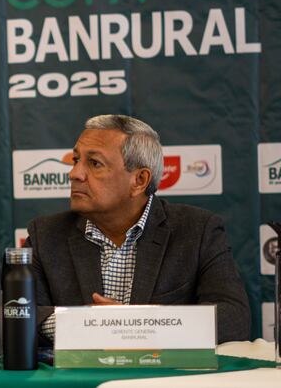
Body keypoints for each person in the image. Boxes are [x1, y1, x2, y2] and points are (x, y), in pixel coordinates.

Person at [25, 114, 249, 344]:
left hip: (163, 379)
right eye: (75, 160)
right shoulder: (45, 235)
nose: (74, 174)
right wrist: (85, 323)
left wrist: (133, 324)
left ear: (139, 180)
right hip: (79, 379)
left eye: (94, 163)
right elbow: (18, 316)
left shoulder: (198, 230)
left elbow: (233, 319)